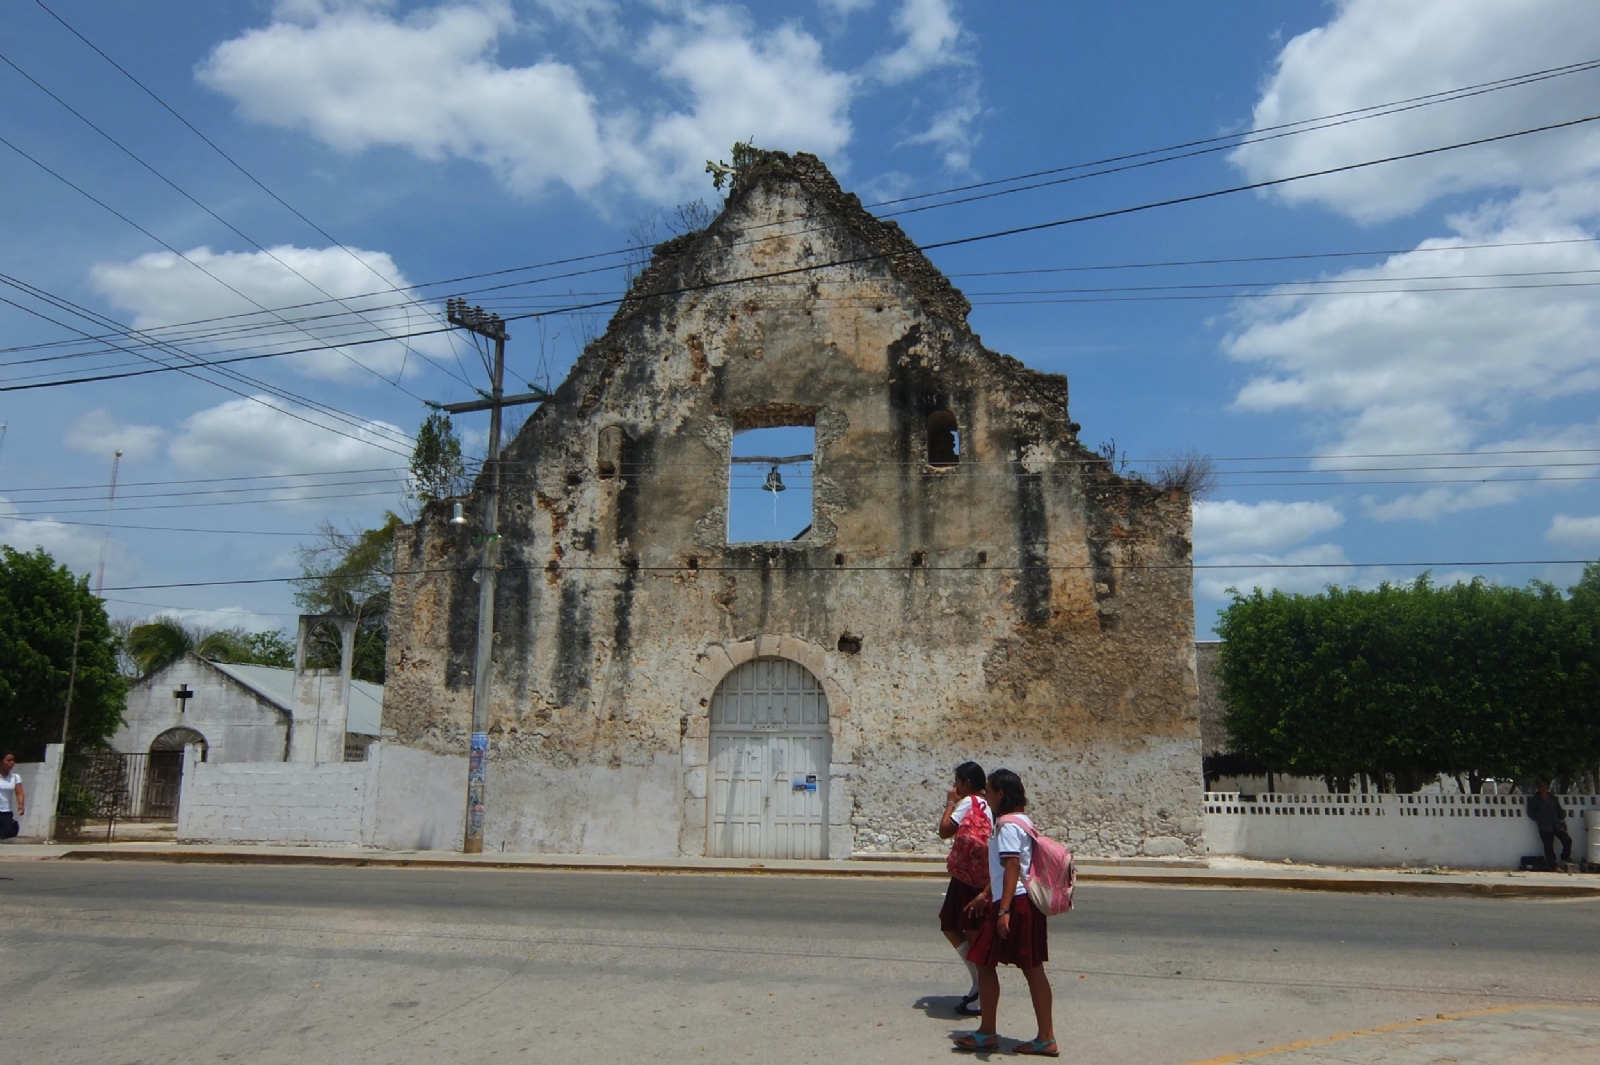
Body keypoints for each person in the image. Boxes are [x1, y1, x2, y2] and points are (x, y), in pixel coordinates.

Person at [953, 768, 1056, 1056]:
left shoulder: (1008, 825)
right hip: (1015, 902)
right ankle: (1043, 1037)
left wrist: (1003, 910)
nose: (985, 795)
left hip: (1015, 904)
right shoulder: (1023, 821)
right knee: (1027, 969)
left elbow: (1012, 866)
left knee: (988, 962)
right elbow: (1010, 868)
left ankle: (991, 1033)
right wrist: (986, 895)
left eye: (988, 790)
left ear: (1000, 794)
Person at [938, 762, 991, 1015]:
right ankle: (977, 983)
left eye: (957, 782)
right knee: (952, 924)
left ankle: (980, 991)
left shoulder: (968, 803)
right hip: (978, 875)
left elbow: (945, 831)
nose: (954, 787)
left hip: (967, 876)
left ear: (967, 783)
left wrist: (950, 802)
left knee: (968, 931)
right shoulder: (988, 803)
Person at [1527, 780, 1572, 869]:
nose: (1543, 788)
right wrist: (1540, 818)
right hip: (1544, 826)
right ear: (1538, 788)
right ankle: (1553, 865)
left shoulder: (1553, 799)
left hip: (1556, 825)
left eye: (1545, 786)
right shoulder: (1534, 800)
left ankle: (1565, 857)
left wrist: (1562, 821)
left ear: (1548, 787)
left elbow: (1559, 811)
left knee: (1567, 840)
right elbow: (1530, 813)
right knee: (1548, 846)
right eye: (1541, 786)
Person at [0, 752, 24, 841]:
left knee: (6, 834)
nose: (11, 763)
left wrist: (21, 805)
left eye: (13, 760)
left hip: (6, 811)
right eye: (8, 760)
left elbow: (19, 792)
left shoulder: (15, 777)